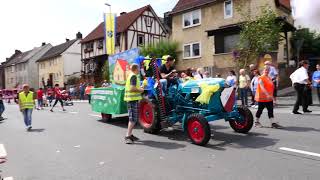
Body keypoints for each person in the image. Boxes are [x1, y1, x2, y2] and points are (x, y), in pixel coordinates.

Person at [124, 64, 144, 144]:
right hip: (132, 99)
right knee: (132, 119)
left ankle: (130, 134)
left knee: (134, 118)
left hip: (133, 99)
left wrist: (140, 87)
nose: (139, 70)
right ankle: (127, 136)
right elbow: (132, 88)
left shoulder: (131, 76)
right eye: (138, 69)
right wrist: (141, 90)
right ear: (135, 69)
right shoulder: (133, 76)